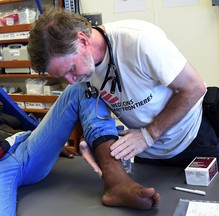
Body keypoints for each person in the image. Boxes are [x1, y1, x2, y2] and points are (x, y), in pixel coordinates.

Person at [27, 8, 219, 172]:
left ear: (82, 41)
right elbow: (99, 109)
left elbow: (194, 88)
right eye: (62, 76)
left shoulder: (139, 42)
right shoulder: (84, 69)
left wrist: (149, 134)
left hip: (192, 140)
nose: (71, 81)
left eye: (71, 70)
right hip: (147, 153)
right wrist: (91, 139)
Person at [0, 83, 160, 216]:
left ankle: (116, 182)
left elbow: (16, 117)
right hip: (3, 166)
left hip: (22, 144)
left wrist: (47, 141)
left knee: (80, 89)